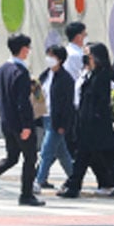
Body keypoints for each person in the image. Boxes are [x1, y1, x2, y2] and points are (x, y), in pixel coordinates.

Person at [0, 33, 44, 207]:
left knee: (12, 157)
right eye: (28, 47)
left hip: (7, 122)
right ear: (23, 49)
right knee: (30, 157)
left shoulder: (3, 69)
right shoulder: (20, 72)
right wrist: (27, 125)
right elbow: (23, 102)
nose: (29, 51)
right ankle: (26, 195)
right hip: (20, 124)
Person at [58, 43, 114, 198]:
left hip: (96, 122)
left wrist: (92, 117)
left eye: (88, 54)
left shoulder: (102, 75)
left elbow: (99, 100)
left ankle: (74, 187)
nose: (86, 58)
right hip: (86, 120)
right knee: (102, 155)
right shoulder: (88, 73)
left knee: (88, 155)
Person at [35, 45, 75, 191]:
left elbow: (67, 104)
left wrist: (64, 123)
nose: (49, 59)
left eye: (53, 56)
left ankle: (38, 181)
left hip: (57, 120)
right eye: (48, 55)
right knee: (61, 152)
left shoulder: (66, 79)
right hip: (45, 117)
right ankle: (74, 177)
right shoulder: (45, 75)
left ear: (60, 59)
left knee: (47, 150)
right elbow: (38, 93)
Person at [63, 22, 88, 107]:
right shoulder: (78, 55)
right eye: (85, 34)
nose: (86, 37)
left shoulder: (65, 51)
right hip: (76, 96)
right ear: (78, 37)